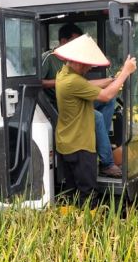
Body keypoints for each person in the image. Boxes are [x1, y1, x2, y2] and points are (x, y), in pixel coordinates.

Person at [53, 34, 137, 207]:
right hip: (80, 146)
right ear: (77, 62)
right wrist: (126, 73)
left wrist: (114, 79)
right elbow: (106, 96)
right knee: (88, 194)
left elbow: (89, 86)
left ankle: (70, 227)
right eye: (87, 65)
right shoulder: (73, 81)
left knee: (70, 194)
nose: (90, 68)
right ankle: (88, 230)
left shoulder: (63, 74)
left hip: (66, 143)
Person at [41, 23, 121, 177]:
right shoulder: (49, 58)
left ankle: (96, 144)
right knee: (96, 116)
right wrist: (62, 84)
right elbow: (38, 82)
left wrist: (111, 80)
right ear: (64, 42)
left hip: (77, 96)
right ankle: (106, 163)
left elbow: (83, 85)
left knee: (110, 101)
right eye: (76, 42)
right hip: (59, 104)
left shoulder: (72, 61)